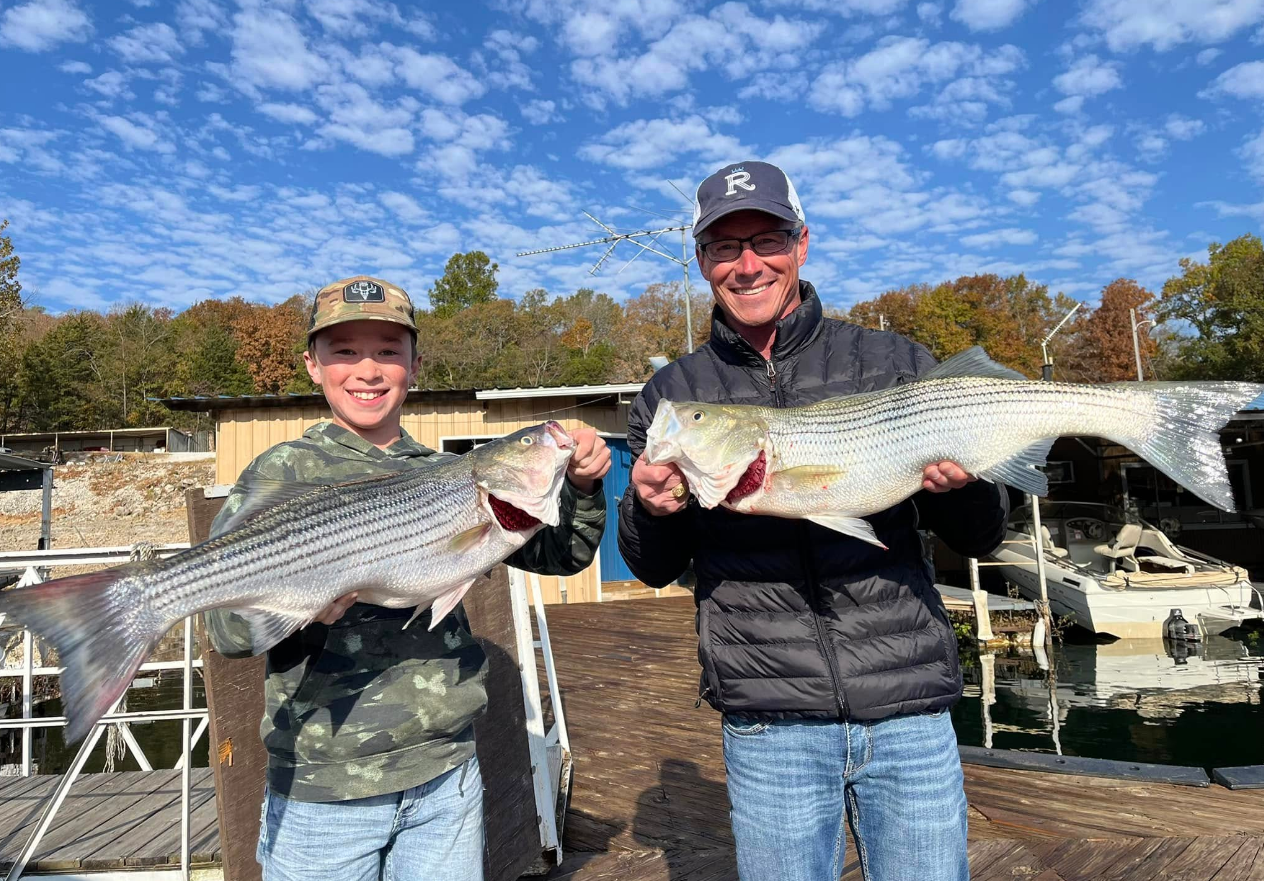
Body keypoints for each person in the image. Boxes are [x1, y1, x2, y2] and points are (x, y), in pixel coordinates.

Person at [618, 162, 1008, 881]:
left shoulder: (892, 362)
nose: (747, 264)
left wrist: (963, 489)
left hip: (908, 705)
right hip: (770, 719)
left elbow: (981, 537)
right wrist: (649, 507)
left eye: (766, 238)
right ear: (702, 261)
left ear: (803, 243)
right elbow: (650, 565)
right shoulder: (673, 394)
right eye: (723, 248)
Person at [204, 275, 610, 881]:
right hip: (324, 791)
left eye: (388, 351)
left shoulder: (451, 473)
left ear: (415, 365)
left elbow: (563, 556)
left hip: (445, 776)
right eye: (344, 351)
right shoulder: (282, 472)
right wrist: (301, 601)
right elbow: (228, 632)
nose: (367, 370)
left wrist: (580, 486)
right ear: (313, 365)